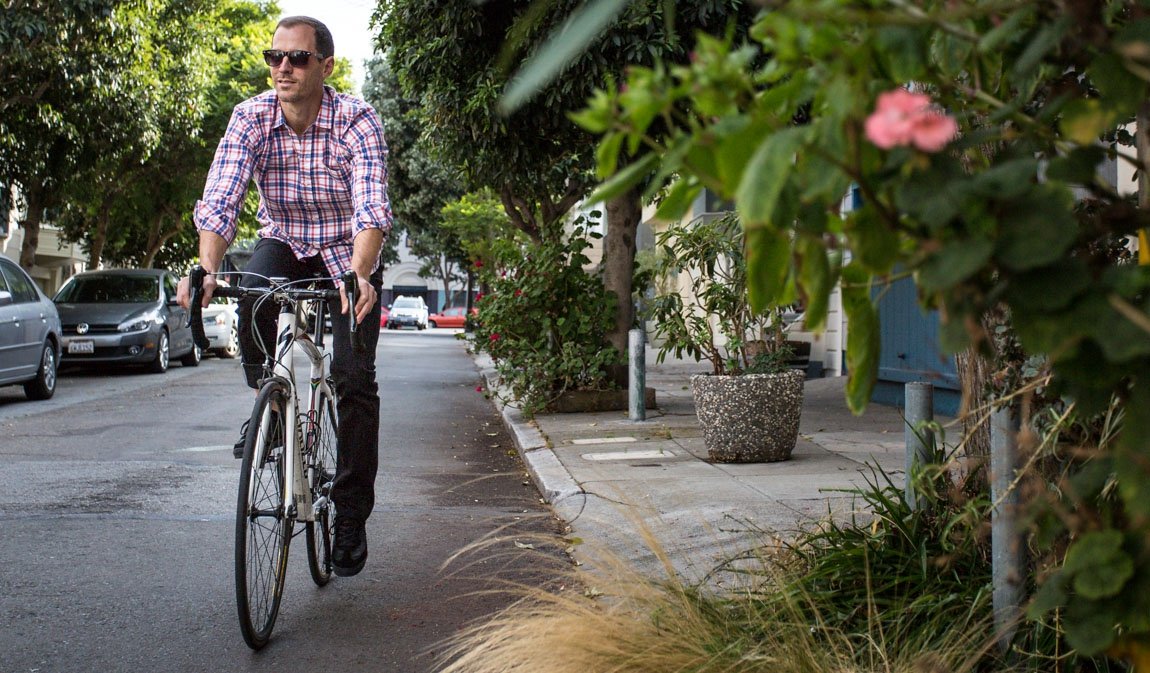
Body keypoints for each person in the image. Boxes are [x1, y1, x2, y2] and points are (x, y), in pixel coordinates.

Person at [177, 15, 391, 578]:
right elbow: (221, 198)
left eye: (297, 58)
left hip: (346, 253)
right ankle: (269, 403)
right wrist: (206, 268)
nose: (283, 68)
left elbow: (371, 208)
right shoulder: (250, 117)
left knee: (353, 376)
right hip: (284, 241)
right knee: (251, 290)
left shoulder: (356, 120)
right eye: (275, 57)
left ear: (326, 66)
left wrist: (360, 275)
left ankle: (350, 514)